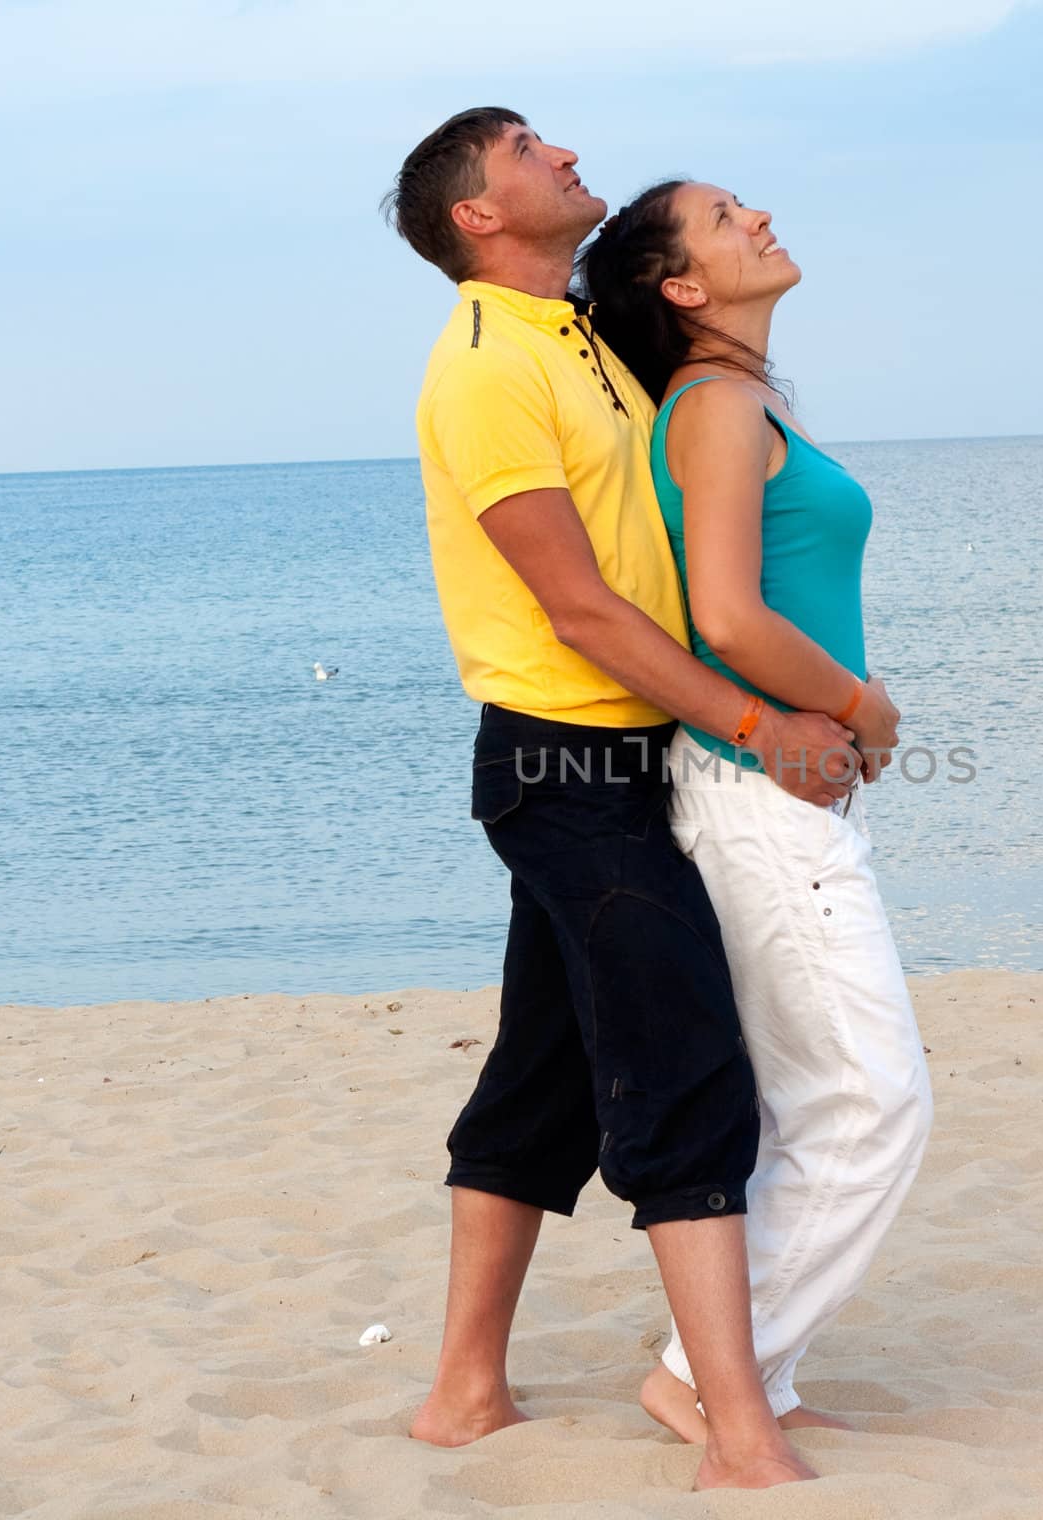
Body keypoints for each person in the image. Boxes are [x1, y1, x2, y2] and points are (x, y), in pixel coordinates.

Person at [382, 110, 858, 1490]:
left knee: (546, 1077)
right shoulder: (479, 370)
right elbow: (579, 605)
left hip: (636, 760)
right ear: (477, 215)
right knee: (682, 1066)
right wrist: (762, 721)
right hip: (560, 765)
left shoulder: (583, 334)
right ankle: (737, 1432)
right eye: (527, 149)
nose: (565, 152)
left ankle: (463, 1397)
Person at [579, 181, 934, 1441]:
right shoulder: (719, 406)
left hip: (773, 790)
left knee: (812, 1094)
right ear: (681, 287)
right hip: (759, 795)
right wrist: (862, 704)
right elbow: (723, 617)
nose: (763, 219)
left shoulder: (740, 401)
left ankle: (756, 1377)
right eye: (728, 220)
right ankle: (698, 1373)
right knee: (873, 1098)